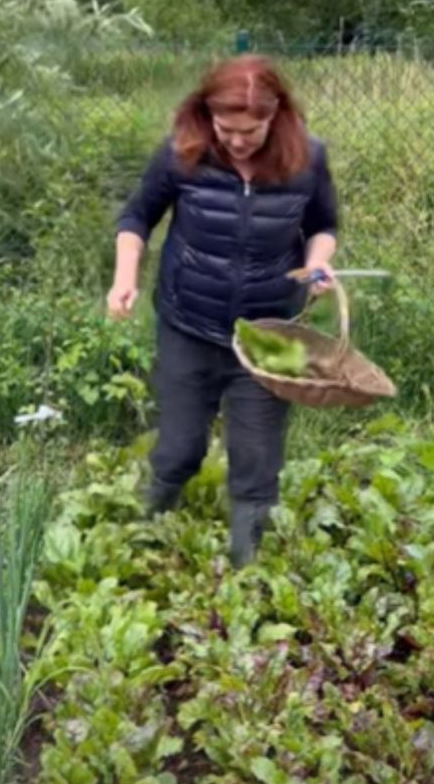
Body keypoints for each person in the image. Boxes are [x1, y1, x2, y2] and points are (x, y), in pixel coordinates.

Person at [107, 54, 338, 567]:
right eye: (226, 128)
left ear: (275, 117)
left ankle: (246, 568)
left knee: (257, 459)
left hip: (268, 332)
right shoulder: (182, 153)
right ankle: (141, 539)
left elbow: (323, 225)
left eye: (250, 131)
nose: (236, 141)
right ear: (207, 113)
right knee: (180, 448)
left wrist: (318, 265)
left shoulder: (308, 159)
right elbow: (136, 216)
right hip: (188, 324)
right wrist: (125, 279)